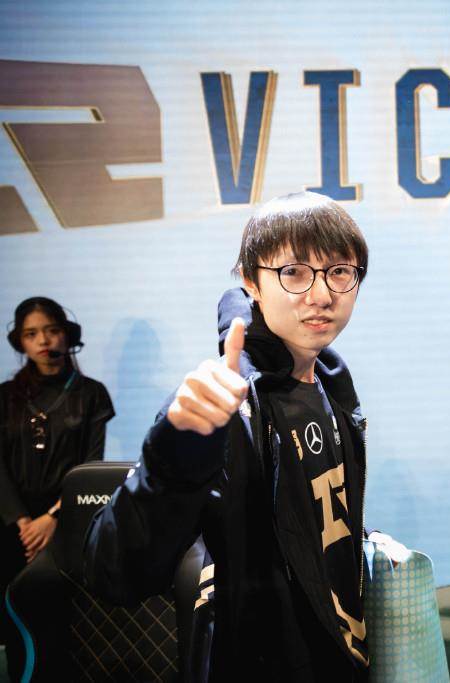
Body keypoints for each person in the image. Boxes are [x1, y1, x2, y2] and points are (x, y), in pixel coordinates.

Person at [84, 191, 390, 682]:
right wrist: (176, 449)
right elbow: (115, 573)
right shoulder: (223, 401)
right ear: (251, 281)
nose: (320, 295)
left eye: (339, 271)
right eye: (293, 272)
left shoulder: (330, 382)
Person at [0, 297, 114, 678]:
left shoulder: (91, 393)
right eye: (31, 334)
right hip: (12, 529)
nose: (43, 340)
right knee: (16, 623)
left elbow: (90, 467)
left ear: (67, 334)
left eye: (51, 330)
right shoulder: (4, 397)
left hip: (65, 524)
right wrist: (22, 522)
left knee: (64, 624)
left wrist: (51, 518)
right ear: (20, 341)